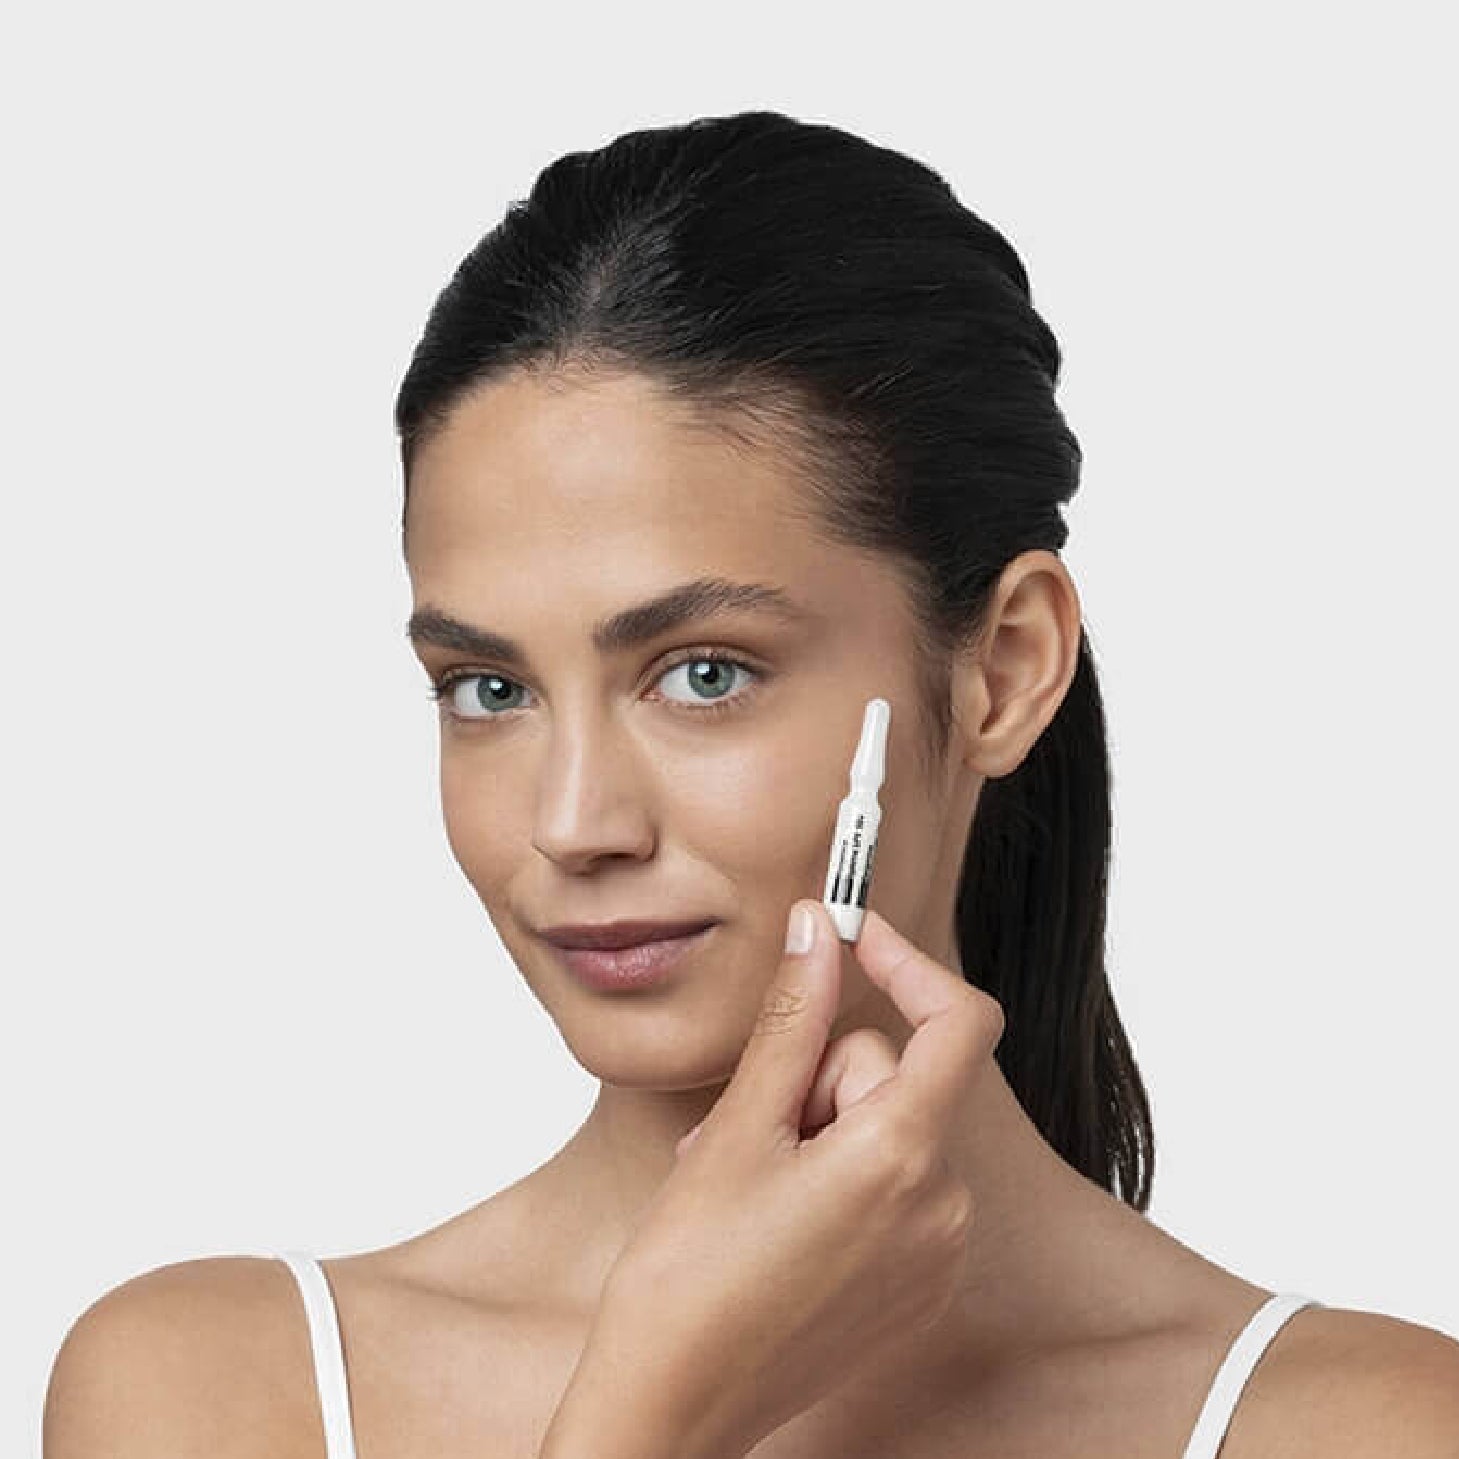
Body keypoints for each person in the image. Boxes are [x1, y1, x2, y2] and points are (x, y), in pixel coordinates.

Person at [44, 109, 1459, 1459]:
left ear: (1006, 668)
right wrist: (654, 1418)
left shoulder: (1367, 1429)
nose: (572, 825)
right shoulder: (215, 1391)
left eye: (703, 673)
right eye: (490, 691)